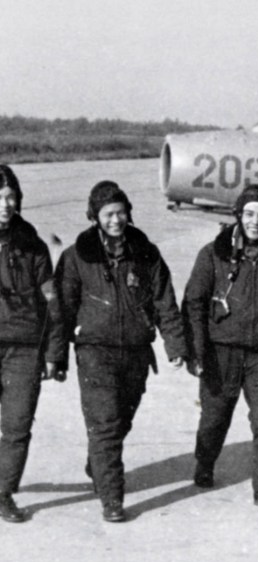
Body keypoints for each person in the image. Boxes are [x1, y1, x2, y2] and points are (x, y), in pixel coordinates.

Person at [53, 181, 186, 523]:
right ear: (95, 217)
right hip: (95, 351)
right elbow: (62, 310)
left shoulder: (146, 252)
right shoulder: (76, 256)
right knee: (106, 424)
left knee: (120, 421)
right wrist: (58, 355)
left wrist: (175, 344)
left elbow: (164, 300)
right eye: (108, 214)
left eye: (121, 213)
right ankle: (112, 499)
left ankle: (97, 462)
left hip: (137, 352)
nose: (116, 220)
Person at [182, 184, 258, 512]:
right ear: (238, 215)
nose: (255, 222)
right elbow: (193, 303)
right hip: (221, 352)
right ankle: (204, 462)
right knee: (214, 419)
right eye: (249, 214)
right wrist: (196, 350)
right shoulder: (213, 254)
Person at [0, 165, 65, 523]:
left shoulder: (33, 246)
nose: (5, 205)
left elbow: (52, 303)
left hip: (24, 349)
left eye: (11, 197)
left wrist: (54, 352)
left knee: (17, 425)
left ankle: (3, 491)